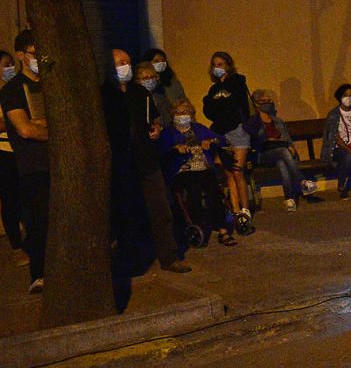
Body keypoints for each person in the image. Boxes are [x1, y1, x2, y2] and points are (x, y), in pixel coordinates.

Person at [103, 49, 191, 275]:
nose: (126, 66)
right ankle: (130, 259)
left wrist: (156, 128)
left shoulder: (139, 92)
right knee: (127, 212)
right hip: (121, 160)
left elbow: (152, 120)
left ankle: (169, 256)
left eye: (128, 62)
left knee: (161, 210)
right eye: (121, 63)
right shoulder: (103, 95)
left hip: (146, 158)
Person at [0, 30, 49, 293]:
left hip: (58, 165)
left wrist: (40, 123)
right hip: (33, 166)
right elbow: (25, 129)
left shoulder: (51, 85)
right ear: (21, 55)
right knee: (39, 221)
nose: (39, 58)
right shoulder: (13, 89)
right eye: (33, 53)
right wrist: (49, 128)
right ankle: (39, 275)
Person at [158, 99, 237, 246]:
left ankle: (223, 231)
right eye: (180, 113)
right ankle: (198, 226)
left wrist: (211, 141)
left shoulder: (198, 128)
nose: (183, 115)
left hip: (203, 167)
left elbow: (221, 139)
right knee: (193, 189)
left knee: (214, 191)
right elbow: (161, 152)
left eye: (187, 112)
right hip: (183, 170)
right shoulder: (168, 133)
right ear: (173, 115)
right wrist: (175, 149)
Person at [243, 89, 319, 211]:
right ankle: (302, 181)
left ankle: (289, 200)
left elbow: (287, 139)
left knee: (282, 163)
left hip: (280, 155)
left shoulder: (278, 121)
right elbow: (255, 143)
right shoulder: (254, 122)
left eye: (269, 100)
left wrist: (290, 147)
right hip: (262, 154)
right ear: (256, 103)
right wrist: (272, 140)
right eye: (264, 101)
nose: (268, 103)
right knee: (283, 152)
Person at [0, 50, 27, 266]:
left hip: (22, 151)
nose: (10, 68)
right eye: (5, 64)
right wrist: (21, 121)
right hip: (1, 154)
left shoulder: (20, 90)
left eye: (12, 63)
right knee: (10, 201)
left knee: (28, 197)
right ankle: (16, 247)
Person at [202, 51, 252, 217]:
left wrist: (221, 106)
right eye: (215, 65)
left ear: (228, 66)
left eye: (221, 64)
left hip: (237, 130)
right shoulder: (213, 89)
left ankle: (245, 210)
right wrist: (217, 106)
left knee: (238, 171)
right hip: (220, 131)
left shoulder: (237, 82)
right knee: (228, 173)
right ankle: (236, 210)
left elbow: (237, 105)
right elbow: (209, 111)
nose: (217, 68)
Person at [134, 62, 173, 127]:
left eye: (152, 77)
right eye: (145, 78)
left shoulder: (161, 98)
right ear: (137, 81)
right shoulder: (134, 99)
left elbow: (168, 120)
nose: (150, 80)